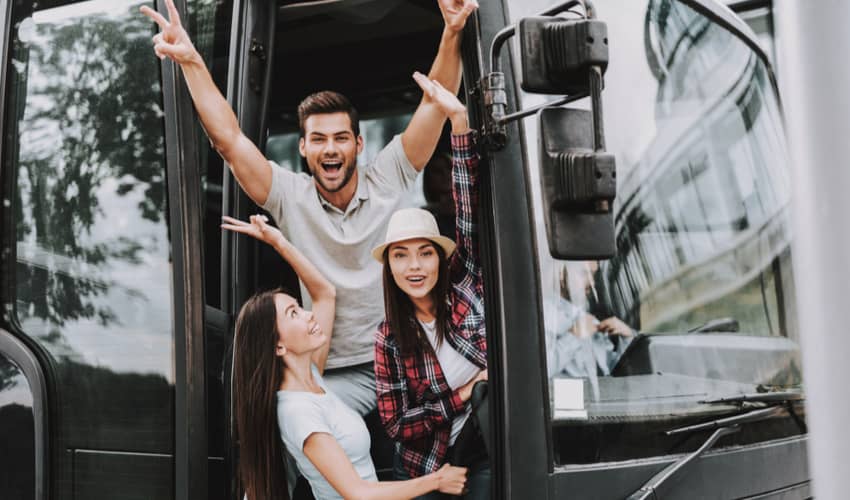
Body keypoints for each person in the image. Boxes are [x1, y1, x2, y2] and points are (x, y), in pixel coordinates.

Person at [141, 0, 479, 416]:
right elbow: (228, 140)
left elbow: (436, 105)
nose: (330, 148)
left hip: (404, 361)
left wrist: (452, 31)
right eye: (318, 139)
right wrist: (191, 61)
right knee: (296, 423)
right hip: (336, 374)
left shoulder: (389, 175)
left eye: (341, 138)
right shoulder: (289, 194)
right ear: (303, 148)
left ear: (358, 144)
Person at [222, 214, 468, 500]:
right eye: (294, 313)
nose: (308, 314)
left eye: (299, 308)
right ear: (278, 346)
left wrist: (278, 241)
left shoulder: (311, 376)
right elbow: (357, 492)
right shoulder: (297, 412)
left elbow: (324, 293)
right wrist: (436, 480)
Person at [373, 73, 489, 499]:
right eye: (400, 256)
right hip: (423, 469)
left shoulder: (466, 283)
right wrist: (464, 394)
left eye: (424, 253)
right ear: (390, 268)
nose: (414, 266)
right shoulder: (388, 337)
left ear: (440, 257)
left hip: (483, 452)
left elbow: (468, 207)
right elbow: (397, 424)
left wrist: (459, 121)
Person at [545, 261, 635, 378]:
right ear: (561, 273)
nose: (592, 282)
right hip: (565, 395)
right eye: (583, 273)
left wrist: (628, 339)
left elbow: (611, 373)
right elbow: (535, 374)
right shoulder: (541, 315)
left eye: (593, 274)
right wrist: (574, 337)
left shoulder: (590, 320)